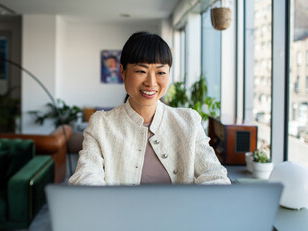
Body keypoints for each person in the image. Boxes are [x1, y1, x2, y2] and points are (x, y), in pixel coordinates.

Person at [68, 32, 231, 185]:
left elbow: (216, 177)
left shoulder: (189, 122)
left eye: (160, 72)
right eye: (141, 71)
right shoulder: (101, 124)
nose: (151, 82)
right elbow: (86, 178)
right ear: (122, 71)